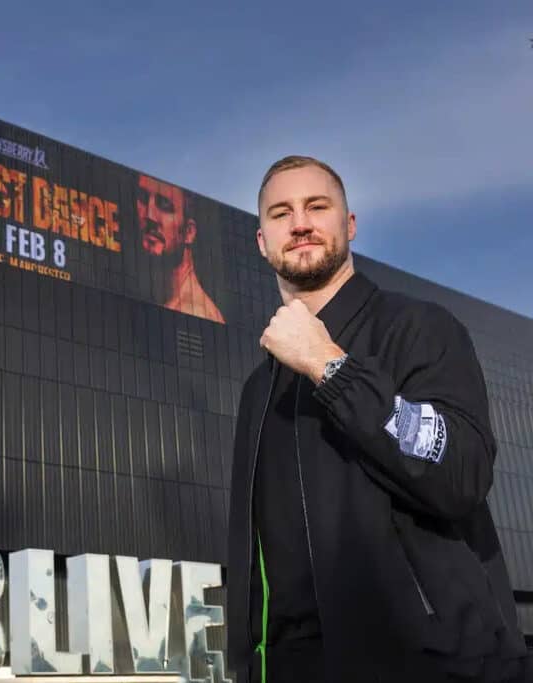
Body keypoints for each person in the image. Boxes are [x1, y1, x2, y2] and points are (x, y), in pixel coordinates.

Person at [225, 155, 528, 683]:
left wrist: (331, 368)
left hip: (426, 664)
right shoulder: (260, 388)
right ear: (261, 241)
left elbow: (461, 472)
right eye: (281, 213)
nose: (299, 223)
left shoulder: (417, 328)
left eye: (317, 207)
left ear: (350, 224)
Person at [135, 174, 225, 323]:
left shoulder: (193, 312)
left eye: (164, 206)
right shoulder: (166, 301)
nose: (150, 216)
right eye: (143, 199)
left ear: (188, 232)